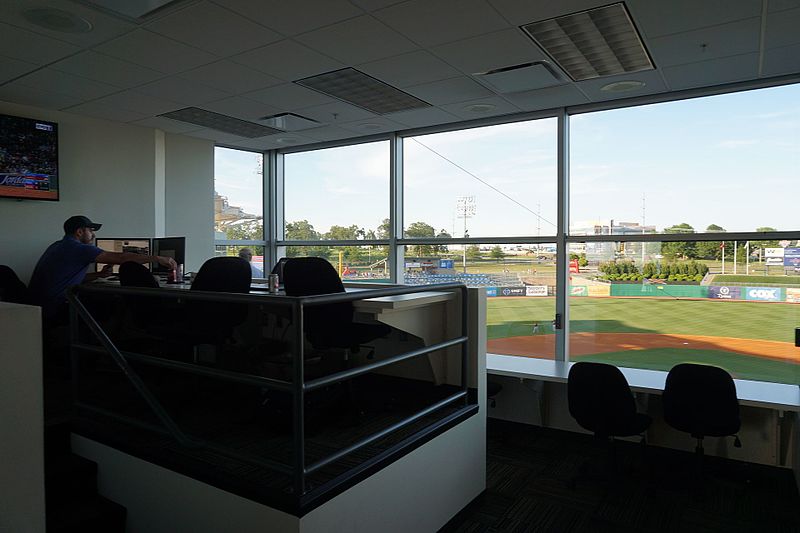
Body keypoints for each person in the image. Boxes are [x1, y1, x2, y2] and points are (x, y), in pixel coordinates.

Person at [28, 215, 177, 328]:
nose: (93, 235)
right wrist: (156, 258)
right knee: (116, 303)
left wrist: (99, 275)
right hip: (57, 307)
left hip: (41, 305)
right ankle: (106, 349)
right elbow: (121, 258)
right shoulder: (79, 248)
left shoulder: (57, 245)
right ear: (79, 232)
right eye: (91, 231)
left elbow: (66, 279)